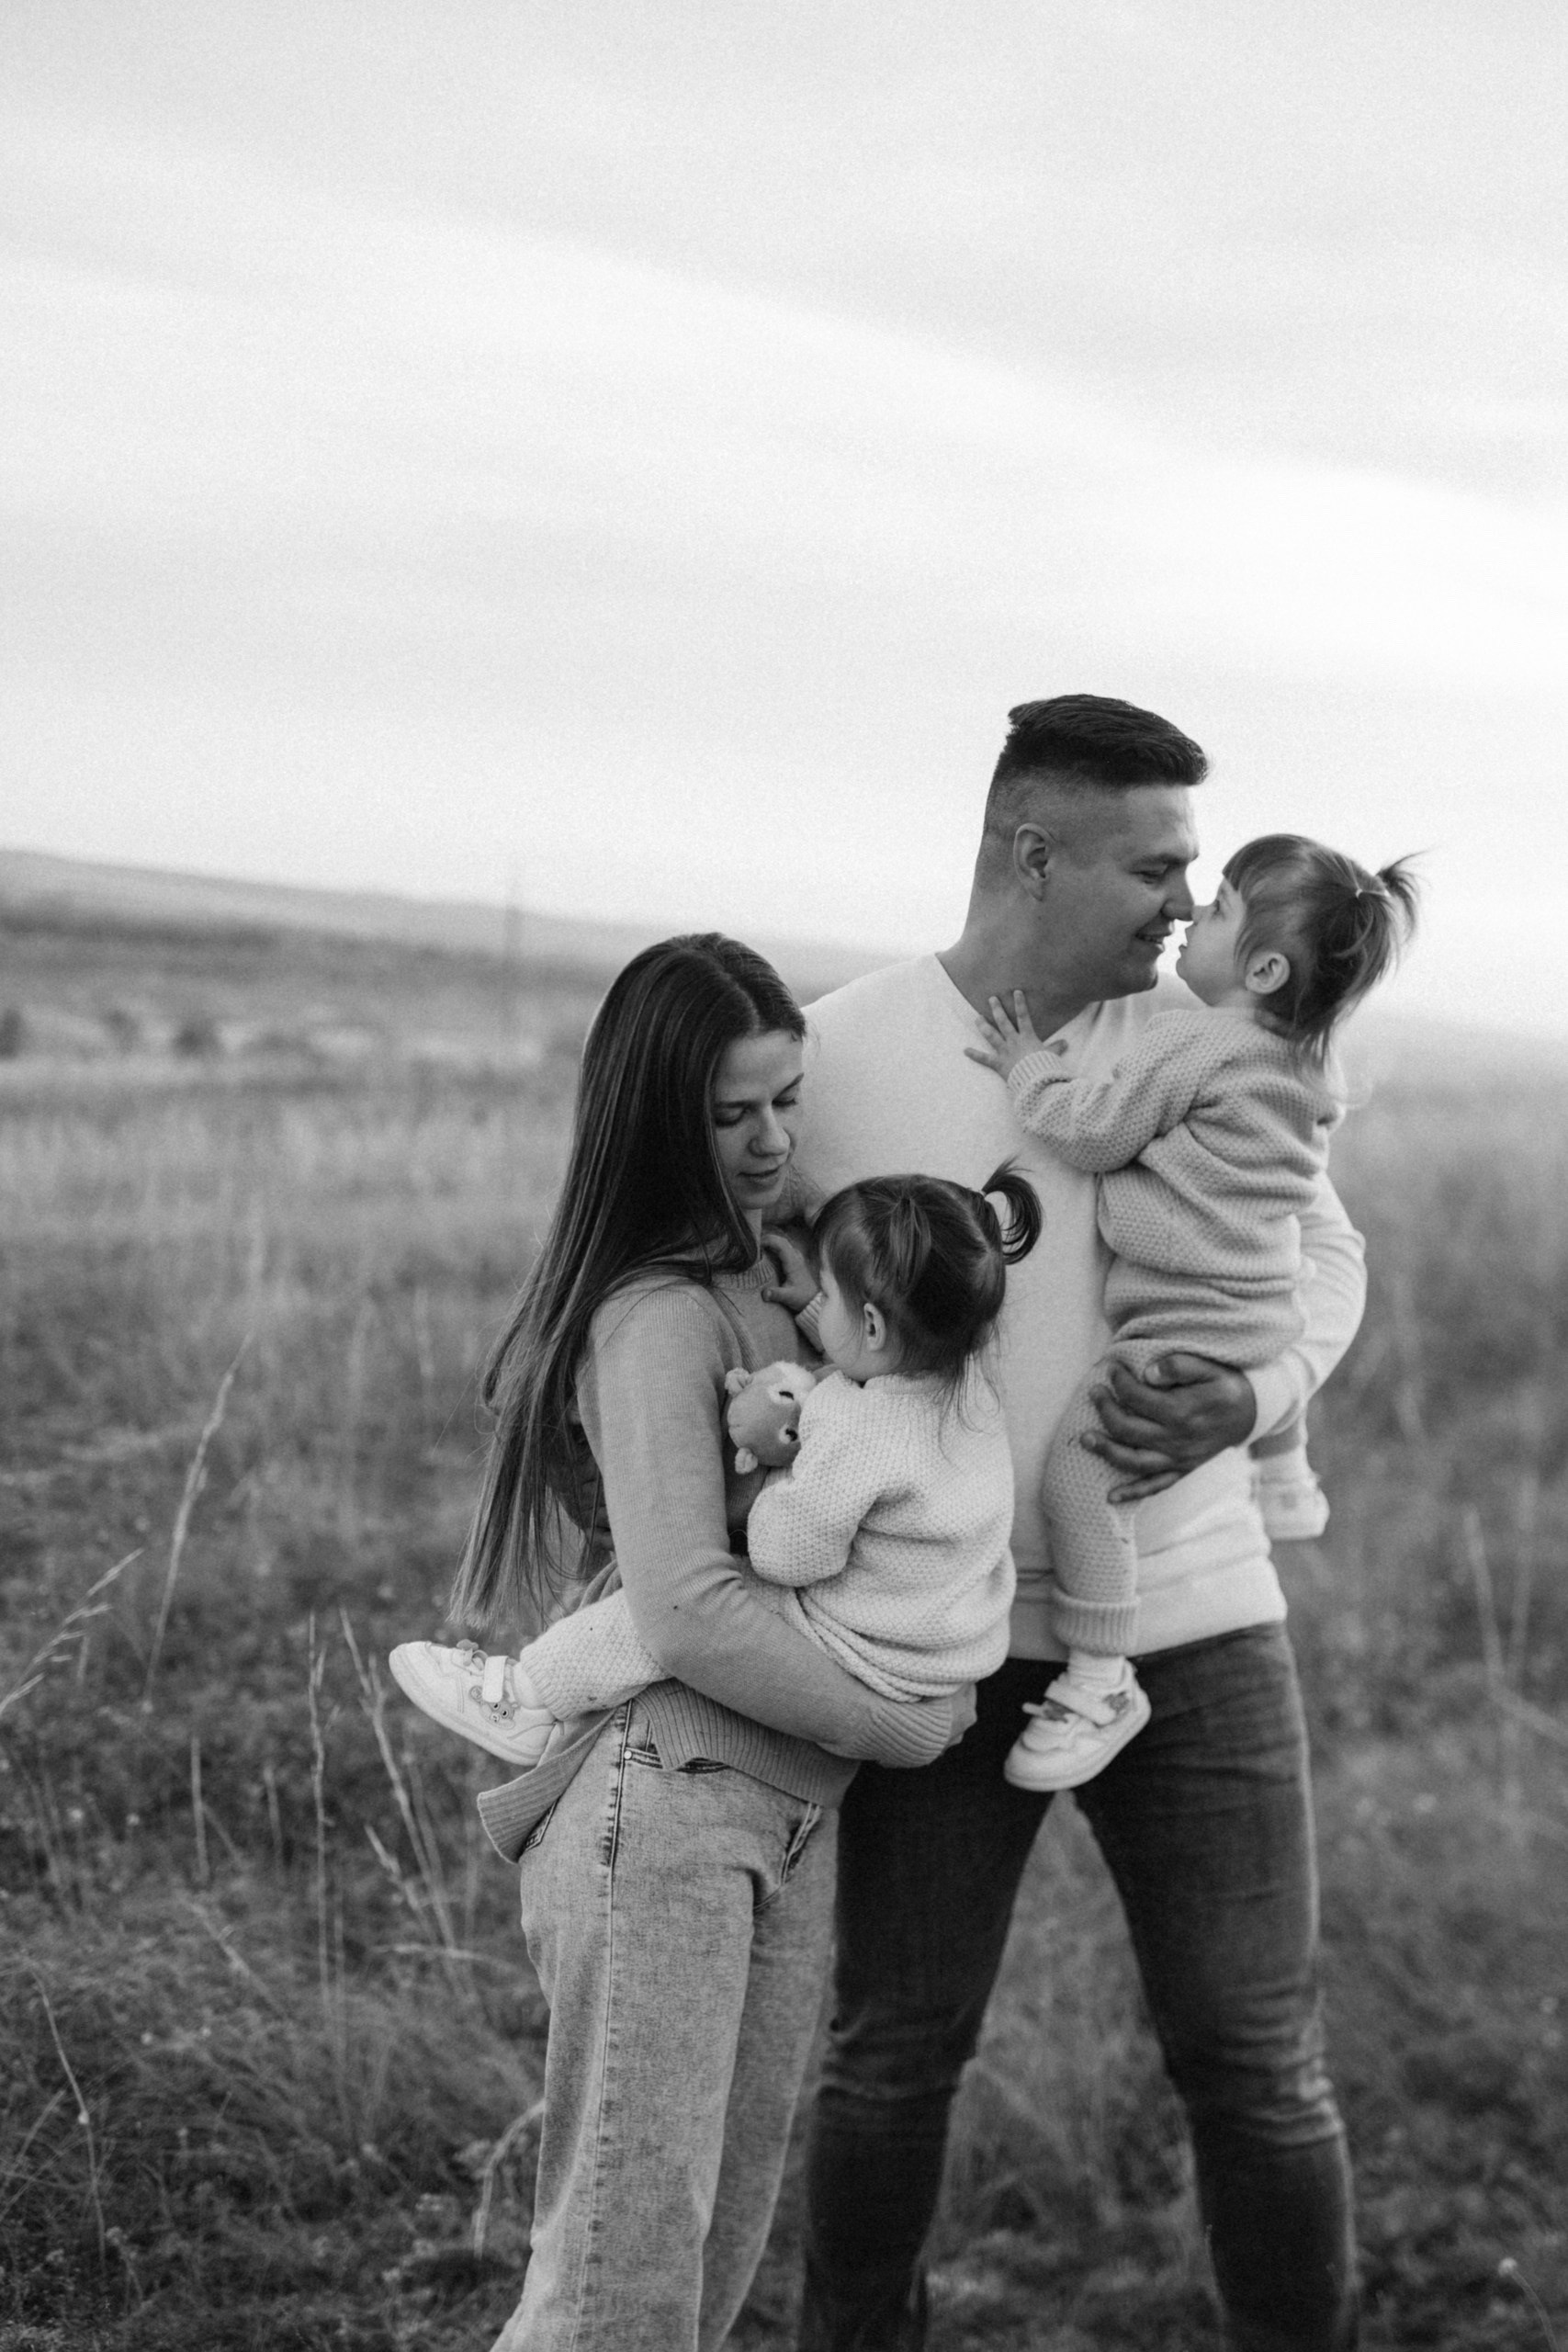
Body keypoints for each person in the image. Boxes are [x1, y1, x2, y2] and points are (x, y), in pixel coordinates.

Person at [792, 696, 1370, 2352]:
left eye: (1197, 870)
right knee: (893, 2053)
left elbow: (1323, 1255)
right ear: (1032, 852)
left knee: (1255, 2064)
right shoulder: (839, 1057)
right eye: (1156, 865)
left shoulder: (1212, 1045)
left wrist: (1252, 1397)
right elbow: (755, 1298)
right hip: (939, 1641)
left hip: (1195, 1621)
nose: (1187, 900)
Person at [426, 933, 969, 2352]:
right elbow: (683, 1607)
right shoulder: (659, 1314)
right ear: (660, 1120)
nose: (772, 1139)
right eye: (733, 1114)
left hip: (784, 1814)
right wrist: (895, 1721)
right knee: (620, 2287)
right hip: (664, 1805)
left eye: (787, 1099)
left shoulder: (784, 1282)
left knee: (708, 2268)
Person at [966, 831, 1417, 1791]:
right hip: (1260, 1313)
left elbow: (1094, 1132)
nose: (1188, 915)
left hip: (1180, 1325)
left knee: (1080, 1485)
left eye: (1216, 910)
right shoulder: (1308, 1069)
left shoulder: (1195, 1041)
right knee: (1271, 1305)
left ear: (1262, 968)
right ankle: (1285, 1470)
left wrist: (1026, 1068)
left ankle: (1100, 1676)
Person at [390, 1163, 1039, 1748]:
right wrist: (820, 1310)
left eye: (831, 1296)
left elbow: (791, 1558)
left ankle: (525, 1698)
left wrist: (771, 1488)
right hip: (946, 1645)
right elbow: (877, 1362)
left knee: (675, 1612)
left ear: (870, 1324)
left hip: (871, 1646)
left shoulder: (854, 1428)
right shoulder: (971, 1394)